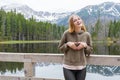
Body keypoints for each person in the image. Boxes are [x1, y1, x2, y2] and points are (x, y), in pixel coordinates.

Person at [58, 14, 93, 80]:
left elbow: (90, 50)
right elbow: (60, 48)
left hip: (82, 68)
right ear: (72, 24)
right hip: (68, 68)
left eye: (79, 19)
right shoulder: (66, 33)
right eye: (75, 20)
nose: (78, 21)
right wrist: (68, 44)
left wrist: (85, 45)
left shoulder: (87, 35)